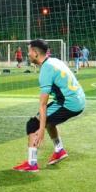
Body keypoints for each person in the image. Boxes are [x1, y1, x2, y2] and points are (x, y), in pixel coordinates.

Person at [14, 39, 85, 172]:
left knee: (32, 124)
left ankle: (32, 164)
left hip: (69, 103)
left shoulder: (46, 70)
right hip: (78, 99)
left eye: (29, 51)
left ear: (35, 53)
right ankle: (59, 150)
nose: (27, 54)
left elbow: (43, 104)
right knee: (49, 120)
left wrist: (40, 129)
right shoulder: (54, 60)